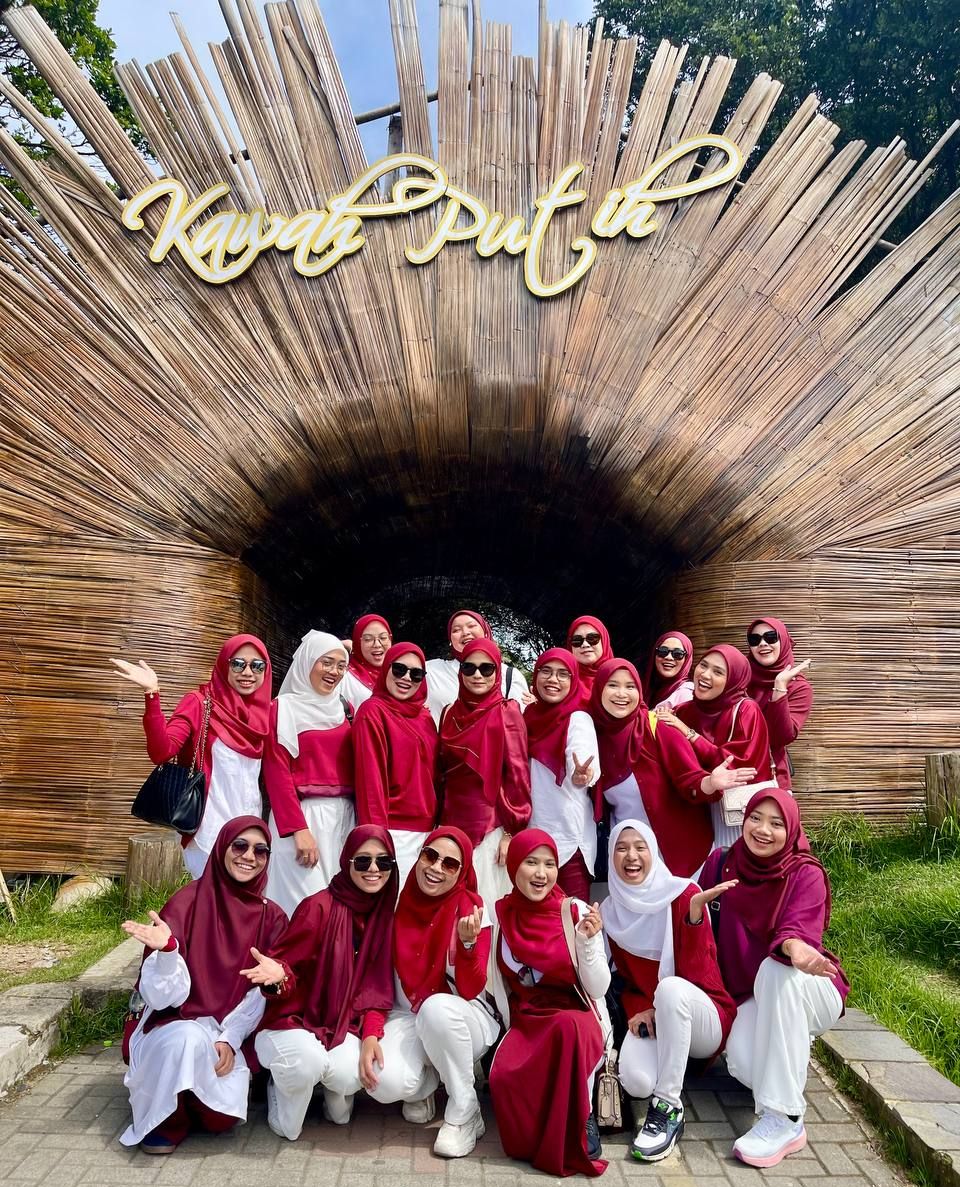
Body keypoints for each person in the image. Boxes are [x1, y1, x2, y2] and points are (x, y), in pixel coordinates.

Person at [118, 817, 286, 1153]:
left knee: (219, 1120)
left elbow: (260, 993)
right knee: (188, 1039)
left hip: (227, 1031)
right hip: (175, 1024)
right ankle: (166, 1119)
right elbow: (162, 998)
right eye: (240, 846)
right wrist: (168, 952)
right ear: (222, 847)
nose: (249, 856)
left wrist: (230, 1039)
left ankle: (188, 1093)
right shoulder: (187, 902)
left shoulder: (272, 917)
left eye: (260, 851)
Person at [698, 789, 848, 1168]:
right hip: (750, 994)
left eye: (776, 823)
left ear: (791, 829)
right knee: (746, 1066)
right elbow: (698, 931)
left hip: (809, 985)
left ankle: (784, 1119)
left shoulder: (805, 873)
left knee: (775, 968)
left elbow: (797, 931)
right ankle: (791, 1049)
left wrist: (794, 947)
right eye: (756, 818)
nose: (763, 830)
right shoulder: (721, 864)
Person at [243, 826, 398, 1138]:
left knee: (346, 1082)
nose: (373, 869)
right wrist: (279, 977)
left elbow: (376, 989)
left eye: (383, 862)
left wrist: (370, 1036)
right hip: (294, 1020)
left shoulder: (383, 914)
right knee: (292, 1123)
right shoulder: (319, 907)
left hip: (342, 1023)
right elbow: (286, 968)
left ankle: (326, 1089)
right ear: (346, 861)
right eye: (362, 861)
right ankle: (279, 1086)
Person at [602, 821, 735, 1162]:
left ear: (654, 851)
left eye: (640, 847)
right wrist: (640, 1009)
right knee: (635, 1082)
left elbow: (702, 977)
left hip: (705, 1016)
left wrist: (694, 921)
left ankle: (668, 1108)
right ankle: (673, 1061)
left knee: (671, 990)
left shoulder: (684, 895)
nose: (631, 856)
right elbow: (622, 982)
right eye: (621, 848)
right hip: (653, 1017)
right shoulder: (609, 912)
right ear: (611, 856)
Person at [368, 827, 498, 1159]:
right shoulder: (398, 903)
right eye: (430, 856)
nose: (436, 868)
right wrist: (371, 1030)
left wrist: (467, 945)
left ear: (462, 872)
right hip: (408, 1015)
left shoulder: (471, 909)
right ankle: (426, 1084)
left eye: (450, 864)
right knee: (382, 1083)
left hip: (463, 1018)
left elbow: (471, 988)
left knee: (436, 1009)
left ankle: (465, 1112)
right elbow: (378, 979)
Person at [490, 830, 609, 1177]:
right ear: (514, 866)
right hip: (528, 1017)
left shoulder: (575, 911)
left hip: (578, 1011)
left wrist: (587, 942)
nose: (541, 874)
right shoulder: (501, 915)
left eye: (549, 864)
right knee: (503, 1078)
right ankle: (536, 1135)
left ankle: (582, 1116)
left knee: (567, 1028)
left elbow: (598, 987)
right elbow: (498, 983)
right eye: (531, 862)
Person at [111, 636, 272, 878]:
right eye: (238, 664)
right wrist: (152, 693)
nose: (248, 672)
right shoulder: (199, 703)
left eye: (257, 666)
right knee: (213, 894)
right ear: (224, 664)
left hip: (249, 827)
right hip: (209, 828)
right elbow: (162, 751)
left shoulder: (264, 715)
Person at [589, 659, 718, 878]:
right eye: (612, 685)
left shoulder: (657, 728)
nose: (621, 694)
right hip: (632, 863)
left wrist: (711, 783)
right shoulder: (593, 736)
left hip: (681, 858)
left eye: (630, 686)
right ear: (599, 689)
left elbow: (691, 777)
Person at [261, 631, 355, 916]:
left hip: (344, 818)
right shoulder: (283, 708)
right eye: (326, 662)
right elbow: (276, 773)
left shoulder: (345, 708)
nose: (334, 671)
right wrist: (298, 830)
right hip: (303, 817)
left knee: (338, 905)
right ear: (307, 661)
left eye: (341, 665)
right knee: (302, 904)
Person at [437, 639, 531, 912]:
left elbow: (518, 774)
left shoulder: (507, 711)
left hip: (491, 827)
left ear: (497, 672)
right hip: (449, 825)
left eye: (486, 668)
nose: (477, 675)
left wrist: (511, 832)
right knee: (451, 910)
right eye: (469, 668)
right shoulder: (448, 713)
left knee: (487, 908)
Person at [656, 644, 774, 849]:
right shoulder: (684, 711)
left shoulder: (747, 710)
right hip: (696, 811)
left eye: (718, 672)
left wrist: (689, 733)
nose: (705, 674)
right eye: (703, 665)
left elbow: (732, 764)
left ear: (733, 680)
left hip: (741, 814)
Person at [352, 641, 438, 883]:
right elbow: (370, 780)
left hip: (427, 832)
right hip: (394, 831)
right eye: (399, 669)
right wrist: (376, 837)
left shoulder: (425, 717)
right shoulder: (372, 711)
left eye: (416, 673)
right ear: (386, 669)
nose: (407, 678)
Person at [526, 648, 600, 900]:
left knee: (573, 916)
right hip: (533, 835)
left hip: (569, 840)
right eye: (546, 671)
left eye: (563, 674)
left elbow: (583, 757)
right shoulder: (528, 716)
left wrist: (582, 774)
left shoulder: (578, 718)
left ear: (574, 680)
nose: (553, 679)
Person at [425, 608, 529, 724]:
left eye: (471, 626)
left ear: (485, 631)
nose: (465, 632)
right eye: (456, 630)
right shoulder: (431, 670)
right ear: (450, 640)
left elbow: (522, 721)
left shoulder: (510, 675)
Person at [746, 616, 813, 790]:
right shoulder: (740, 678)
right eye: (754, 639)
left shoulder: (799, 687)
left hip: (771, 778)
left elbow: (780, 738)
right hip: (730, 775)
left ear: (783, 641)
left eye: (771, 637)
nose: (762, 644)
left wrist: (780, 687)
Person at [340, 614, 392, 709]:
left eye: (383, 638)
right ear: (357, 642)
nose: (377, 644)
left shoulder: (403, 672)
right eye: (368, 639)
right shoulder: (343, 676)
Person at [565, 616, 614, 706]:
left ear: (604, 641)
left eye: (592, 638)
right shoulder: (562, 682)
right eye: (577, 640)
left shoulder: (621, 677)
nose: (585, 645)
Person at [644, 631, 694, 712]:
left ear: (686, 659)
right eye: (663, 651)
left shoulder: (686, 694)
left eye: (678, 653)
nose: (669, 657)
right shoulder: (645, 688)